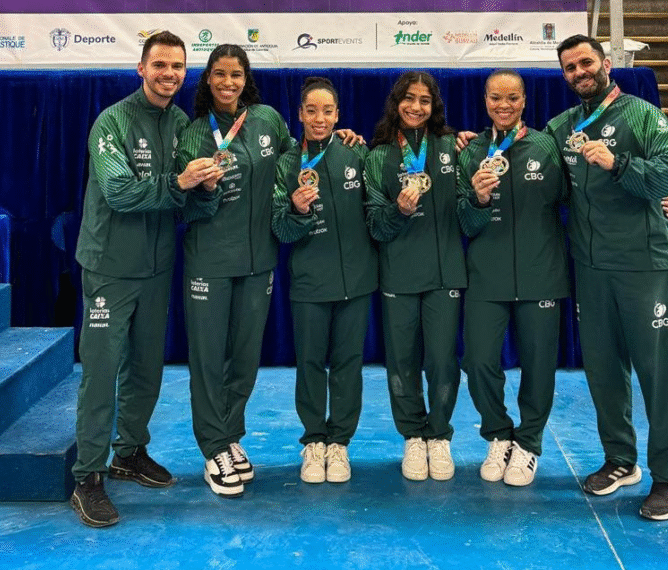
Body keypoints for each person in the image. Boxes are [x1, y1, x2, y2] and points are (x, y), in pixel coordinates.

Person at [71, 31, 222, 528]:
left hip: (158, 268)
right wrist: (179, 183)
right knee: (100, 371)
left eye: (178, 67)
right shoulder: (110, 122)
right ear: (141, 68)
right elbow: (117, 191)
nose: (169, 74)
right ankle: (88, 476)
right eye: (160, 65)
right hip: (111, 267)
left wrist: (206, 184)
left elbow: (190, 198)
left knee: (145, 368)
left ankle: (129, 452)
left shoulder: (181, 123)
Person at [545, 34, 668, 520]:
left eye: (585, 62)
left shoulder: (641, 115)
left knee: (658, 374)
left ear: (605, 64)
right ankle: (620, 460)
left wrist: (620, 163)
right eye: (569, 68)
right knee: (604, 372)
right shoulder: (561, 126)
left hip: (642, 265)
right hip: (590, 268)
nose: (579, 72)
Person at [178, 44, 296, 499]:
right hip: (209, 260)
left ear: (247, 79)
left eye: (237, 75)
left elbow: (295, 160)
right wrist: (204, 189)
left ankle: (230, 437)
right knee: (209, 359)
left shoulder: (266, 120)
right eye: (220, 74)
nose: (229, 83)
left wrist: (338, 138)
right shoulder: (193, 134)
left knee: (244, 358)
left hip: (259, 261)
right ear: (208, 79)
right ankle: (213, 448)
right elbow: (184, 205)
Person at [456, 69, 569, 486]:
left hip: (542, 275)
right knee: (480, 361)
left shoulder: (547, 146)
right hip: (486, 276)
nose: (504, 106)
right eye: (495, 98)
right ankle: (498, 435)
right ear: (484, 101)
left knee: (539, 366)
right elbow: (464, 222)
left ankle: (528, 443)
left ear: (525, 100)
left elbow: (578, 198)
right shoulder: (470, 153)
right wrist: (479, 198)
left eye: (513, 98)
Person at [271, 77, 378, 484]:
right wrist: (296, 212)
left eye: (327, 111)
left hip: (357, 280)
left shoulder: (357, 150)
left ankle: (340, 444)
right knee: (311, 364)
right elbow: (280, 229)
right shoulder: (286, 163)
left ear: (338, 115)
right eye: (311, 111)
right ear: (299, 114)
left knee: (349, 365)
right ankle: (314, 442)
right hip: (309, 284)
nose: (319, 118)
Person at [365, 72, 466, 481]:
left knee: (442, 361)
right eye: (409, 99)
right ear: (396, 102)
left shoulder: (452, 145)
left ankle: (438, 436)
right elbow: (373, 223)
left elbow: (471, 202)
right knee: (402, 363)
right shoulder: (378, 156)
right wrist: (397, 211)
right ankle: (412, 437)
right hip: (398, 273)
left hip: (445, 274)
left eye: (425, 100)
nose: (416, 107)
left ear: (434, 105)